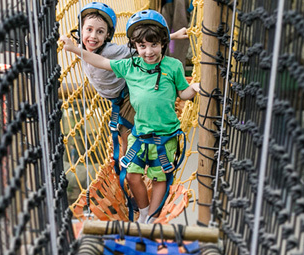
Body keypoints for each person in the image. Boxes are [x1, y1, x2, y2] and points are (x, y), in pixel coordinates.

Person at [61, 10, 200, 223]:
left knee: (159, 176)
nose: (148, 51)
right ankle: (143, 211)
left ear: (163, 43)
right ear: (135, 47)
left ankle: (152, 218)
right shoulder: (130, 65)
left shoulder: (173, 66)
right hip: (139, 133)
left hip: (165, 136)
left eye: (154, 45)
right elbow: (100, 61)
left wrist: (196, 87)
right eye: (142, 46)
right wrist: (74, 49)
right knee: (132, 175)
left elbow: (183, 93)